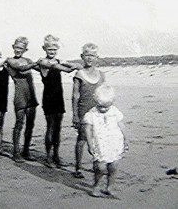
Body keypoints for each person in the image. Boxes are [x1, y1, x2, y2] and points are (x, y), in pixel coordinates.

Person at [38, 34, 82, 168]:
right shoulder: (43, 61)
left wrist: (74, 64)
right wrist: (74, 66)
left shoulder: (57, 60)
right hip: (48, 97)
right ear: (44, 48)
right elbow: (65, 69)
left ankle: (56, 155)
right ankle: (48, 157)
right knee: (50, 126)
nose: (51, 52)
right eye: (49, 49)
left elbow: (66, 64)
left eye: (54, 49)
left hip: (58, 96)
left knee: (58, 127)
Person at [83, 84, 128, 197]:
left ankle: (110, 187)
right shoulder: (91, 114)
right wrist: (89, 143)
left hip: (114, 142)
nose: (103, 109)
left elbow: (121, 125)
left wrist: (125, 139)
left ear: (112, 102)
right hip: (100, 143)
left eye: (106, 106)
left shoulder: (115, 111)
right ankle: (97, 186)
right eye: (100, 106)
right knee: (100, 168)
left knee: (113, 166)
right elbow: (88, 130)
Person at [72, 43, 105, 178]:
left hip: (98, 111)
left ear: (97, 57)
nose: (90, 58)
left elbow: (104, 94)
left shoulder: (101, 75)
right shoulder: (79, 74)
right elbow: (75, 96)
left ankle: (95, 164)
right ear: (82, 57)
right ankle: (78, 167)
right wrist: (75, 115)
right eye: (87, 55)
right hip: (83, 110)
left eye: (92, 55)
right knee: (82, 138)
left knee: (98, 138)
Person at [6, 37, 39, 163]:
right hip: (20, 96)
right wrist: (37, 63)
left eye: (21, 48)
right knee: (19, 123)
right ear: (13, 46)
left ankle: (26, 150)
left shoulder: (28, 60)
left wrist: (50, 64)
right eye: (16, 47)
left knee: (30, 124)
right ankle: (16, 152)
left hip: (31, 95)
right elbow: (21, 68)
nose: (18, 50)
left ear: (26, 49)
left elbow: (41, 70)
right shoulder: (10, 61)